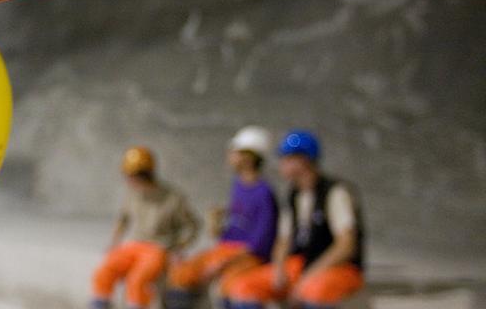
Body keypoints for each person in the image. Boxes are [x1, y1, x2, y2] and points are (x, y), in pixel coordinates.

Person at [227, 130, 365, 309]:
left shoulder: (334, 193)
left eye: (287, 159)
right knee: (243, 287)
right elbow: (284, 239)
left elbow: (346, 245)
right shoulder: (294, 195)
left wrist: (310, 275)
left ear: (303, 161)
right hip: (303, 263)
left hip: (336, 267)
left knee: (315, 291)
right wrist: (279, 268)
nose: (282, 165)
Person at [165, 126, 279, 309]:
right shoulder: (238, 186)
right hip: (227, 250)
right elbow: (233, 229)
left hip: (248, 256)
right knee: (181, 274)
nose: (230, 156)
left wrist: (222, 264)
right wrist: (219, 226)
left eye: (235, 152)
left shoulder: (264, 193)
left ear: (248, 158)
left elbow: (260, 244)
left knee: (228, 285)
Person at [92, 146, 199, 309]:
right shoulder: (133, 193)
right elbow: (123, 218)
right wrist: (114, 243)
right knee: (103, 272)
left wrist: (178, 248)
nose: (128, 180)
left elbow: (192, 226)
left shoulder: (172, 198)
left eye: (130, 176)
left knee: (138, 280)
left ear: (143, 174)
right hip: (135, 244)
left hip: (158, 248)